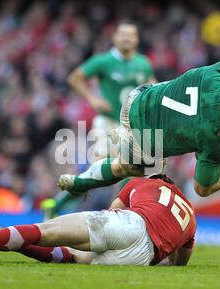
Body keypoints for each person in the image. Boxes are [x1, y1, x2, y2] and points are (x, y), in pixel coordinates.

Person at [58, 56, 220, 199]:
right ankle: (83, 185)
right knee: (141, 169)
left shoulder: (218, 74)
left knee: (145, 163)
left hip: (141, 94)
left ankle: (82, 181)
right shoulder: (215, 138)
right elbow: (202, 188)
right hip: (144, 129)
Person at [0, 174, 195, 266]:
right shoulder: (191, 215)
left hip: (131, 223)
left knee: (43, 230)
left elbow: (114, 208)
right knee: (72, 256)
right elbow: (178, 263)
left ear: (158, 179)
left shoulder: (142, 183)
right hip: (143, 257)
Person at [40, 22, 156, 218]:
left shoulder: (143, 63)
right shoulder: (104, 61)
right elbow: (75, 78)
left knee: (134, 170)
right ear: (115, 38)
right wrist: (92, 98)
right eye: (123, 35)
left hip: (132, 126)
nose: (127, 38)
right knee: (101, 166)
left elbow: (151, 85)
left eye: (131, 35)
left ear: (137, 39)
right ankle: (60, 204)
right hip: (108, 122)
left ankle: (115, 214)